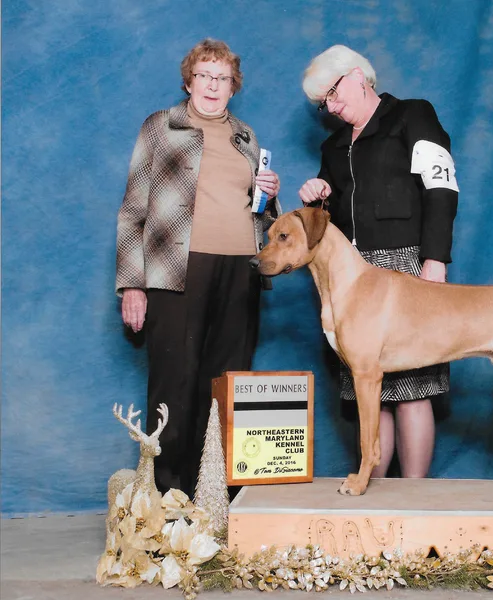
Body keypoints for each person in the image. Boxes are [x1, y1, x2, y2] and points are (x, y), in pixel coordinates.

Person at [116, 38, 281, 495]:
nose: (213, 85)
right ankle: (166, 499)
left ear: (233, 86)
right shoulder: (160, 127)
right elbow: (133, 210)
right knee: (176, 381)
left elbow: (260, 213)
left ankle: (220, 496)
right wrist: (133, 284)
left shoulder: (246, 136)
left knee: (228, 381)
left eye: (222, 78)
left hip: (241, 271)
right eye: (205, 76)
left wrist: (270, 193)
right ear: (189, 80)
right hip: (174, 268)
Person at [299, 45, 459, 479]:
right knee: (371, 389)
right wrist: (318, 192)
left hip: (408, 266)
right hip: (352, 277)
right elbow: (329, 214)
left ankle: (415, 495)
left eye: (333, 94)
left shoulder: (412, 115)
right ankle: (374, 490)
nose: (331, 108)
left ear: (358, 75)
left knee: (412, 389)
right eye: (323, 103)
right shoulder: (333, 145)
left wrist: (435, 261)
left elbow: (441, 188)